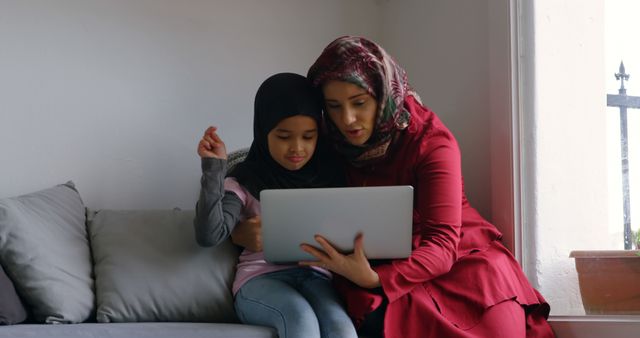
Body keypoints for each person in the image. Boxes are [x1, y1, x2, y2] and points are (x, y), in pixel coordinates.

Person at [232, 37, 555, 337]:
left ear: (383, 92)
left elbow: (442, 243)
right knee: (370, 316)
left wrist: (374, 279)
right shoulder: (328, 138)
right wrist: (242, 231)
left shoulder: (431, 143)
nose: (347, 119)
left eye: (359, 102)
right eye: (333, 106)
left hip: (456, 257)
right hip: (374, 258)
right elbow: (272, 167)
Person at [194, 72, 357, 338]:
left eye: (308, 136)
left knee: (343, 329)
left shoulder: (331, 176)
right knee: (300, 319)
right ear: (263, 130)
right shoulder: (244, 179)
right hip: (260, 281)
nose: (297, 148)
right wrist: (214, 168)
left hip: (317, 278)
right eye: (283, 136)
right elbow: (209, 234)